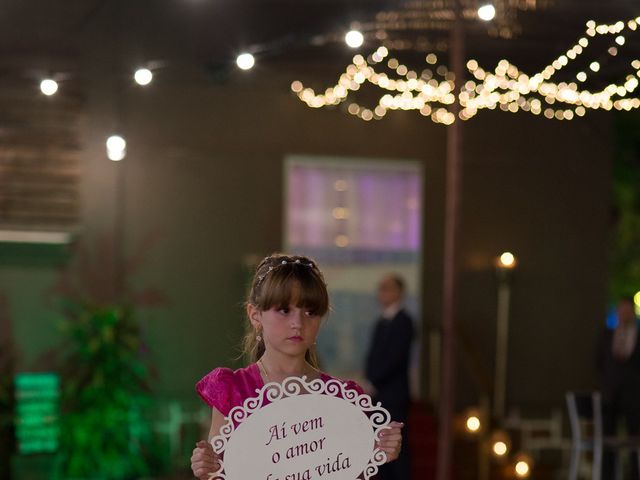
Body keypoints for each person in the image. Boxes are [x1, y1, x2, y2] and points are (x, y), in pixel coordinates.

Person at [191, 253, 404, 480]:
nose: (298, 323)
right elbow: (219, 471)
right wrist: (207, 468)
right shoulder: (231, 390)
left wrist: (375, 453)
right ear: (255, 316)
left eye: (310, 311)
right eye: (284, 310)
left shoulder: (344, 399)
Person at [364, 273, 414, 480]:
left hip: (394, 393)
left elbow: (395, 357)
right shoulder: (381, 321)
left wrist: (374, 380)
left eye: (387, 288)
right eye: (380, 288)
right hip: (379, 393)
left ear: (399, 292)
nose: (382, 293)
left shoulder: (404, 321)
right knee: (379, 446)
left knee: (395, 447)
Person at [597, 296, 640, 480]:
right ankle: (607, 475)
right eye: (621, 310)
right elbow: (598, 361)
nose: (624, 313)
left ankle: (634, 474)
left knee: (634, 438)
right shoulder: (607, 335)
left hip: (634, 397)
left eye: (627, 310)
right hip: (610, 395)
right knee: (607, 439)